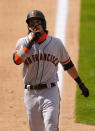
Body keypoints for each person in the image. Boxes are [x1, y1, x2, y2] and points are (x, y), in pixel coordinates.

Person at [13, 10, 89, 131]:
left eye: (37, 22)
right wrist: (30, 42)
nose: (35, 26)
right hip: (30, 94)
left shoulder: (56, 43)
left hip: (50, 92)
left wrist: (81, 84)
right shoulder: (23, 42)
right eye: (32, 23)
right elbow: (17, 60)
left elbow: (68, 65)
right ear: (28, 26)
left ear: (44, 24)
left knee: (50, 127)